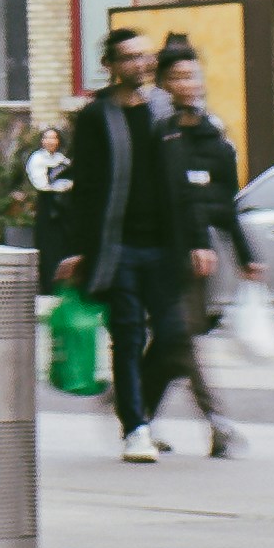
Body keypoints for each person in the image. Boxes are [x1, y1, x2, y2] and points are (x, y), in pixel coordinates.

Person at [57, 24, 185, 463]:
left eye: (144, 56)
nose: (140, 64)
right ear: (109, 66)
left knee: (172, 336)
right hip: (118, 248)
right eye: (129, 57)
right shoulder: (97, 116)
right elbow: (85, 186)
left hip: (165, 246)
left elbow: (183, 180)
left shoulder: (166, 110)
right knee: (128, 336)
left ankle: (136, 408)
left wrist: (196, 238)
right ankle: (136, 429)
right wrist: (77, 249)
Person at [151, 36, 248, 461]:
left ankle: (131, 408)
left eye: (193, 74)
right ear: (163, 84)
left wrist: (247, 254)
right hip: (160, 251)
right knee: (182, 338)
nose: (189, 83)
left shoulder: (215, 138)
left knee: (175, 341)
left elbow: (227, 202)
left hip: (199, 255)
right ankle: (218, 422)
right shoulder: (160, 134)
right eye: (178, 76)